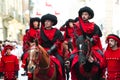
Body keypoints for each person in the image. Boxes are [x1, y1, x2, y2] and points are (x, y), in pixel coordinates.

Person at [71, 6, 104, 80]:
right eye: (82, 14)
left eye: (86, 14)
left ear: (89, 16)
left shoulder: (94, 26)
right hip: (79, 47)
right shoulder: (76, 25)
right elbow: (75, 36)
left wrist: (90, 41)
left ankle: (101, 76)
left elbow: (96, 37)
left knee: (101, 56)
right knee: (71, 58)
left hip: (92, 47)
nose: (84, 16)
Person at [40, 13, 65, 79]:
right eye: (45, 21)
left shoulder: (57, 32)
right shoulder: (40, 32)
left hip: (54, 51)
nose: (46, 22)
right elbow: (38, 43)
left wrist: (51, 50)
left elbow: (58, 42)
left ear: (52, 23)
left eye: (48, 21)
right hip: (42, 51)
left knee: (61, 62)